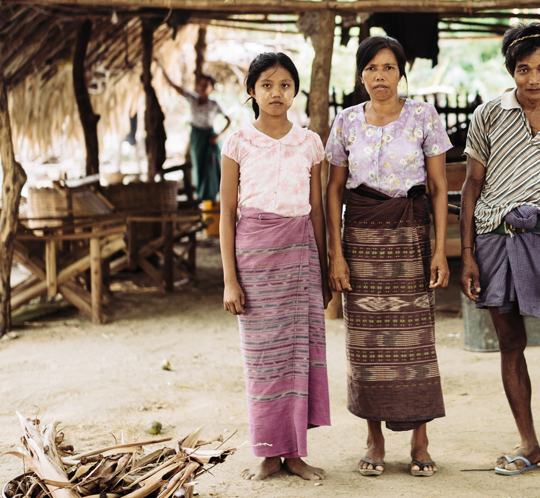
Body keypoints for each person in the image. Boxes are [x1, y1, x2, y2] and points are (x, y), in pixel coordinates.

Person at [459, 22, 540, 475]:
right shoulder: (489, 115)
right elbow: (472, 185)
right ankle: (529, 444)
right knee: (510, 343)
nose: (534, 80)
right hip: (495, 240)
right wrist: (469, 254)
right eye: (523, 69)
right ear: (510, 70)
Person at [325, 35, 451, 477]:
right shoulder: (344, 122)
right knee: (367, 345)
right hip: (359, 242)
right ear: (361, 75)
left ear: (401, 73)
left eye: (389, 68)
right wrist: (335, 254)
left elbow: (438, 189)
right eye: (372, 69)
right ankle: (374, 439)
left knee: (414, 341)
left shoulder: (423, 117)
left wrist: (439, 250)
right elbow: (334, 190)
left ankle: (420, 440)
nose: (381, 77)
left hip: (411, 239)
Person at [219, 52, 331, 481]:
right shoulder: (238, 142)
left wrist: (321, 271)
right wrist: (230, 280)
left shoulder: (310, 142)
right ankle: (268, 453)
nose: (276, 93)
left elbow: (318, 211)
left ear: (295, 90)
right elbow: (228, 213)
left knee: (299, 356)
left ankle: (296, 453)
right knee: (263, 359)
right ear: (251, 91)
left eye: (285, 84)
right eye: (266, 84)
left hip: (300, 257)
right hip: (254, 259)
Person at [160, 64, 231, 201]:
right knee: (199, 166)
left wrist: (218, 136)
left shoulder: (215, 104)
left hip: (210, 137)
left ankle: (214, 196)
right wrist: (160, 64)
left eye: (207, 85)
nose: (203, 87)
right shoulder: (191, 99)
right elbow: (173, 85)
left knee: (213, 166)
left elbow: (229, 120)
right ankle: (202, 196)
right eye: (201, 84)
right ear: (197, 86)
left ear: (211, 88)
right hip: (197, 137)